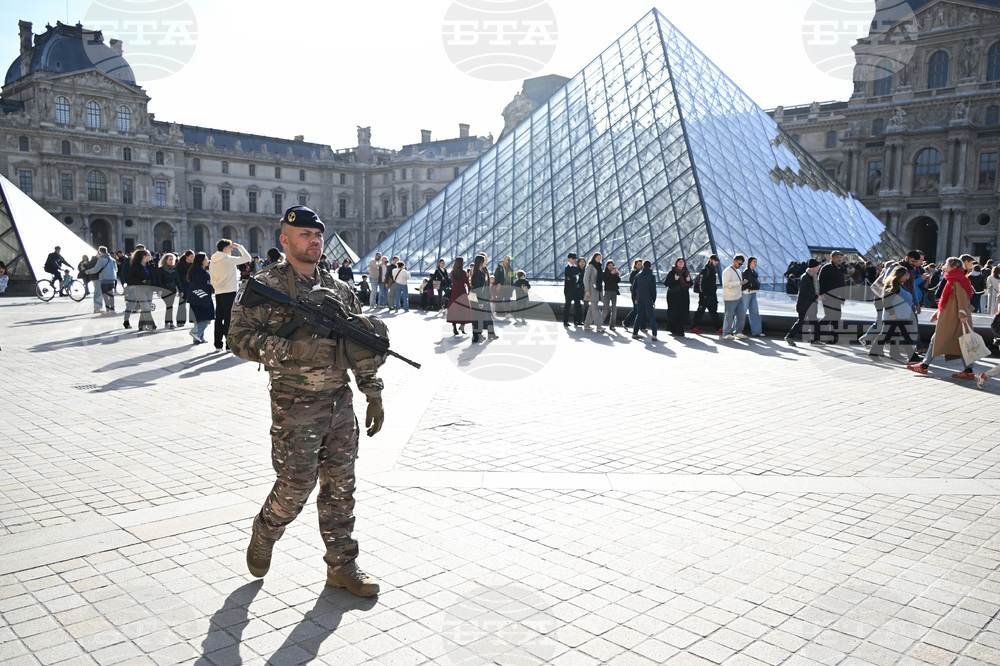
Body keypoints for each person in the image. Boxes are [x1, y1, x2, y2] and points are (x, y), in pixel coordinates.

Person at [228, 205, 385, 598]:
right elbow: (238, 340)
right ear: (285, 240)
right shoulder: (265, 285)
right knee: (296, 486)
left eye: (318, 235)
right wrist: (291, 349)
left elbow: (359, 345)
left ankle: (342, 567)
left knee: (340, 487)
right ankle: (266, 531)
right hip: (294, 404)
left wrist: (372, 392)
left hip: (339, 402)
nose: (314, 241)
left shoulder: (339, 289)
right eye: (305, 235)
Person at [908, 257, 977, 379]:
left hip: (954, 318)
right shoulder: (956, 278)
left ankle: (924, 366)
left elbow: (962, 299)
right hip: (952, 317)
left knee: (937, 339)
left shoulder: (956, 280)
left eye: (947, 264)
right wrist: (938, 313)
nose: (944, 266)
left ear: (954, 267)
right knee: (961, 343)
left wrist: (962, 314)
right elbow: (949, 300)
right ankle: (969, 370)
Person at [209, 238, 251, 351]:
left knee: (219, 318)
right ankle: (228, 344)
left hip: (218, 291)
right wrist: (240, 247)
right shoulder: (227, 259)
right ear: (225, 249)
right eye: (230, 247)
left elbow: (211, 277)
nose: (231, 250)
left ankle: (218, 344)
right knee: (229, 318)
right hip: (230, 291)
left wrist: (216, 287)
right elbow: (247, 258)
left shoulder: (213, 260)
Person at [868, 266, 917, 362]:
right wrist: (891, 313)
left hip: (901, 316)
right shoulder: (894, 286)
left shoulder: (900, 285)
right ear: (900, 275)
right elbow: (886, 301)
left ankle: (907, 355)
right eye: (906, 275)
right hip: (894, 317)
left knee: (901, 336)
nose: (908, 277)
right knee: (887, 335)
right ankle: (873, 353)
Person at [784, 259, 821, 346]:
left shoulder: (813, 276)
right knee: (801, 322)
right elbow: (804, 292)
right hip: (804, 304)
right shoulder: (805, 277)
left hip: (811, 304)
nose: (819, 268)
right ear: (812, 268)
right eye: (817, 266)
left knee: (814, 322)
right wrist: (816, 297)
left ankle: (815, 340)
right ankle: (789, 336)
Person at [816, 251, 846, 343]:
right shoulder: (826, 268)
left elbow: (842, 284)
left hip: (837, 297)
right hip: (828, 296)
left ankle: (833, 338)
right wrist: (821, 294)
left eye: (840, 257)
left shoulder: (840, 268)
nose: (839, 259)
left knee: (837, 316)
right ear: (831, 258)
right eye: (837, 257)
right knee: (829, 316)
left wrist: (843, 298)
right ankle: (815, 331)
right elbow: (820, 281)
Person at [125, 249, 156, 331]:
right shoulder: (135, 265)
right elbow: (130, 276)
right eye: (149, 255)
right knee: (145, 306)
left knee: (146, 307)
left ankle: (141, 325)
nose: (150, 256)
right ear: (144, 256)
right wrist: (140, 281)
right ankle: (151, 324)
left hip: (149, 288)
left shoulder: (150, 265)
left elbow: (155, 276)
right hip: (139, 288)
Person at [186, 253, 213, 344]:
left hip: (196, 296)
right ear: (201, 260)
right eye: (206, 258)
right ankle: (195, 332)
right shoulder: (200, 270)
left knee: (199, 317)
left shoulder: (195, 269)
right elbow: (201, 281)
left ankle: (198, 338)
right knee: (207, 317)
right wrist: (208, 275)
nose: (207, 260)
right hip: (201, 296)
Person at [691, 255, 721, 334]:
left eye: (717, 261)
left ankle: (718, 328)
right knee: (700, 312)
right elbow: (701, 283)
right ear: (710, 260)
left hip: (712, 295)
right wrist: (703, 294)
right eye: (715, 260)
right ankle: (693, 327)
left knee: (713, 312)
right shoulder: (705, 270)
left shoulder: (712, 269)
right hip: (706, 295)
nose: (716, 262)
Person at [471, 253, 497, 343]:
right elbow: (478, 289)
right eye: (484, 261)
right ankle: (476, 336)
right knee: (477, 317)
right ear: (480, 262)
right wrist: (481, 301)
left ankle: (478, 336)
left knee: (479, 317)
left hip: (480, 298)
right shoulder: (477, 274)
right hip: (478, 299)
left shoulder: (480, 272)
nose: (486, 262)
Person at [721, 254, 747, 340]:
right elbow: (726, 284)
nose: (740, 266)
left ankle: (738, 332)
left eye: (742, 264)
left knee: (741, 315)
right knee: (729, 315)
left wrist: (741, 290)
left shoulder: (738, 271)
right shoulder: (727, 271)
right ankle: (726, 333)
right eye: (739, 264)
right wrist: (738, 283)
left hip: (738, 296)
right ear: (734, 261)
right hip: (730, 298)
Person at [663, 257, 692, 337]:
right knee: (675, 312)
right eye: (679, 262)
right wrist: (674, 279)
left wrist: (688, 280)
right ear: (676, 263)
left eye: (682, 262)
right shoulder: (672, 272)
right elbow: (666, 283)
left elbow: (690, 283)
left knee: (681, 312)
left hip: (683, 296)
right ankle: (678, 330)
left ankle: (673, 327)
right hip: (674, 296)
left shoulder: (686, 272)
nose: (681, 263)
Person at [631, 260, 658, 341]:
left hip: (640, 297)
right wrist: (654, 300)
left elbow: (634, 288)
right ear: (650, 267)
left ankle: (635, 333)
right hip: (648, 298)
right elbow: (653, 289)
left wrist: (635, 298)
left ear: (643, 266)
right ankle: (654, 334)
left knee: (639, 315)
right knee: (651, 316)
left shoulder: (638, 275)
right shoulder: (652, 276)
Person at [86, 246, 117, 314]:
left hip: (104, 279)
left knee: (105, 295)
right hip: (112, 279)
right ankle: (112, 309)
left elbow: (96, 269)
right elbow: (116, 269)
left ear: (100, 252)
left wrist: (88, 271)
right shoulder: (112, 259)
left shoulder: (101, 259)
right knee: (111, 294)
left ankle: (107, 309)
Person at [155, 253, 182, 329]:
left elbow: (177, 280)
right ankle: (170, 322)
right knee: (169, 305)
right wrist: (159, 290)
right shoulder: (161, 269)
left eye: (173, 259)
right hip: (164, 290)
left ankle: (168, 322)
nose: (171, 261)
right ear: (165, 260)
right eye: (170, 259)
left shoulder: (174, 269)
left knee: (169, 306)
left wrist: (181, 290)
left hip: (172, 290)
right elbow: (159, 280)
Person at [447, 257, 471, 336]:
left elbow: (451, 280)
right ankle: (462, 326)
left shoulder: (452, 272)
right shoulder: (463, 273)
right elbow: (467, 282)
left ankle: (454, 327)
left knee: (454, 310)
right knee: (464, 310)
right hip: (462, 292)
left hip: (454, 293)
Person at [742, 257, 764, 337]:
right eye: (754, 261)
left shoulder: (754, 272)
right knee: (742, 312)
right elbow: (743, 283)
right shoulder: (746, 272)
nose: (755, 263)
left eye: (756, 262)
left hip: (753, 293)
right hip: (746, 293)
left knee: (755, 312)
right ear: (750, 262)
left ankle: (757, 332)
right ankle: (736, 330)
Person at [583, 252, 604, 332]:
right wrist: (587, 290)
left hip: (597, 290)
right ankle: (599, 325)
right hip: (591, 290)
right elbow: (586, 279)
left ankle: (587, 324)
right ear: (594, 258)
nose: (599, 259)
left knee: (592, 309)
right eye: (598, 257)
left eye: (600, 257)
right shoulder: (590, 267)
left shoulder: (599, 267)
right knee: (595, 308)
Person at [621, 259, 643, 330]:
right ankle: (626, 322)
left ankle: (627, 323)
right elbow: (633, 282)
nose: (639, 265)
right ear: (635, 265)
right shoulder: (634, 273)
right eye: (638, 264)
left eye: (640, 264)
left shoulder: (642, 272)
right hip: (635, 293)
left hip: (641, 293)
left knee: (638, 309)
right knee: (637, 309)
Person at [562, 253, 583, 327]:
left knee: (578, 305)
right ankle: (565, 321)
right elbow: (570, 277)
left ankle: (578, 320)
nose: (574, 260)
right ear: (569, 259)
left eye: (575, 258)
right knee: (567, 305)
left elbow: (576, 277)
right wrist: (576, 276)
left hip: (575, 289)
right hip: (568, 290)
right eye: (573, 258)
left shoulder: (576, 267)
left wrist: (574, 277)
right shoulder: (567, 268)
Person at [175, 250, 194, 327]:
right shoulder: (181, 264)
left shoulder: (192, 264)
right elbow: (178, 275)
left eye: (193, 257)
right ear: (187, 257)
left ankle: (193, 319)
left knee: (193, 302)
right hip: (183, 285)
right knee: (182, 302)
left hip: (191, 285)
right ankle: (180, 320)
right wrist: (186, 276)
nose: (192, 258)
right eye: (191, 257)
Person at [602, 260, 620, 331]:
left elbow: (618, 280)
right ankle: (600, 323)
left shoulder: (615, 273)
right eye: (609, 266)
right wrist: (610, 274)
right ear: (606, 266)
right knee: (606, 309)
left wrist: (615, 274)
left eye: (612, 266)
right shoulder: (604, 273)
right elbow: (605, 280)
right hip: (607, 291)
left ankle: (612, 325)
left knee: (614, 308)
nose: (610, 267)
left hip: (614, 291)